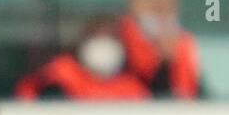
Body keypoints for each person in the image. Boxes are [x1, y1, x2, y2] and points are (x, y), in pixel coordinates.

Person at [16, 17, 151, 100]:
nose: (103, 44)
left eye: (110, 38)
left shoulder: (131, 88)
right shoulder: (65, 72)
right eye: (97, 37)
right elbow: (28, 95)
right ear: (85, 42)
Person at [118, 0, 204, 99]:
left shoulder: (184, 47)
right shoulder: (116, 45)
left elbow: (200, 98)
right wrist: (165, 63)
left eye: (170, 4)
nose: (162, 11)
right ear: (133, 3)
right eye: (154, 3)